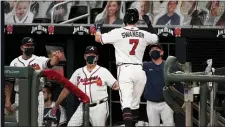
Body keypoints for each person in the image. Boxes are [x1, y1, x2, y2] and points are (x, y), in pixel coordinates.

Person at [95, 8, 158, 127]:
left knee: (126, 106)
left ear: (125, 20)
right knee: (134, 106)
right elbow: (156, 38)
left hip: (125, 69)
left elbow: (98, 38)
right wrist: (149, 24)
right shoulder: (143, 33)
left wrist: (98, 28)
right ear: (136, 20)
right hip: (140, 70)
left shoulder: (118, 32)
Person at [52, 46, 119, 126]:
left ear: (97, 57)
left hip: (99, 106)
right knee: (71, 125)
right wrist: (57, 104)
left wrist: (121, 85)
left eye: (93, 54)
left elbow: (115, 85)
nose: (91, 56)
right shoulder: (78, 72)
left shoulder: (103, 71)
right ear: (84, 56)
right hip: (82, 106)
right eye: (88, 54)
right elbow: (67, 89)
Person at [5, 37, 62, 126]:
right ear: (21, 48)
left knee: (37, 123)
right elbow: (9, 83)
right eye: (27, 45)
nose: (30, 47)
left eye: (32, 45)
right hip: (20, 95)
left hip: (37, 94)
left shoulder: (39, 59)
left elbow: (51, 63)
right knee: (21, 122)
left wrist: (56, 57)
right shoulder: (15, 62)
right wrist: (7, 100)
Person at [143, 44, 174, 126]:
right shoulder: (145, 66)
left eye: (156, 49)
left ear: (162, 52)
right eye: (152, 50)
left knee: (169, 124)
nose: (154, 51)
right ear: (149, 53)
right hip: (151, 103)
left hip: (166, 102)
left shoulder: (168, 65)